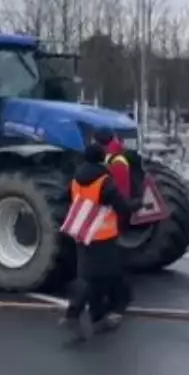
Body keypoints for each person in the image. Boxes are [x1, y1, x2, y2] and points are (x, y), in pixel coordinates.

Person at [59, 140, 143, 343]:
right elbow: (121, 206)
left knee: (94, 277)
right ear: (101, 158)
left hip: (82, 234)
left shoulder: (75, 180)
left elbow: (68, 198)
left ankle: (98, 318)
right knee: (99, 278)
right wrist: (137, 204)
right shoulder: (104, 180)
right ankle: (73, 313)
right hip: (102, 237)